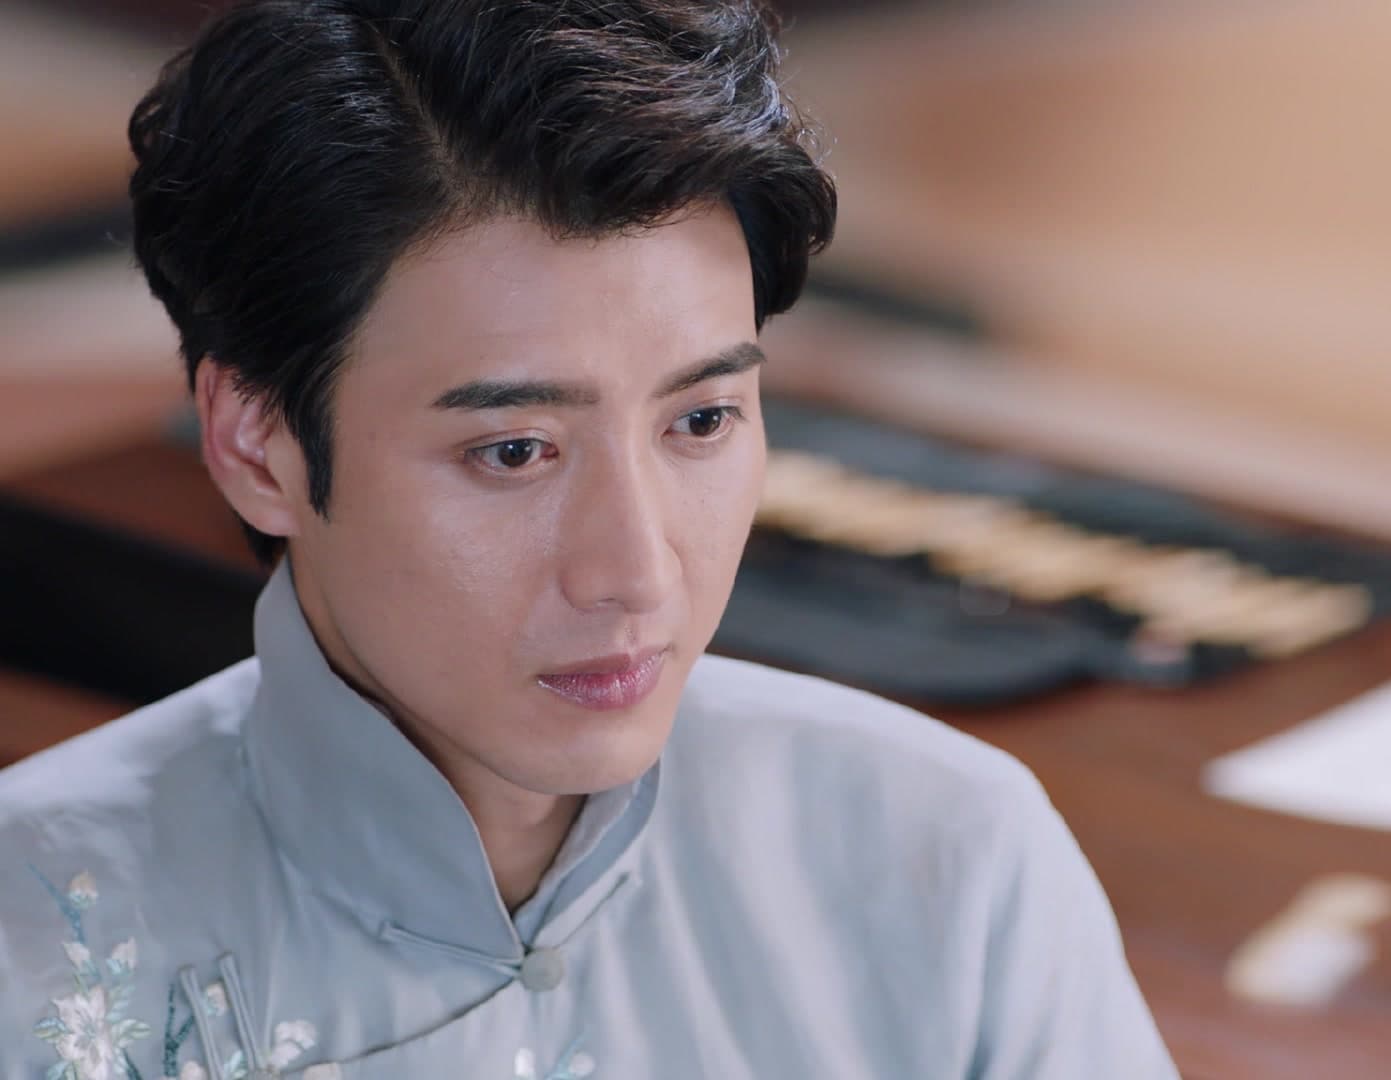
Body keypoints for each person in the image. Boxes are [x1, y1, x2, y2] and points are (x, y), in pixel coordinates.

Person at [0, 2, 1176, 1076]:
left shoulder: (949, 858)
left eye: (702, 420)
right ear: (258, 447)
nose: (637, 574)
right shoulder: (32, 940)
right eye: (514, 451)